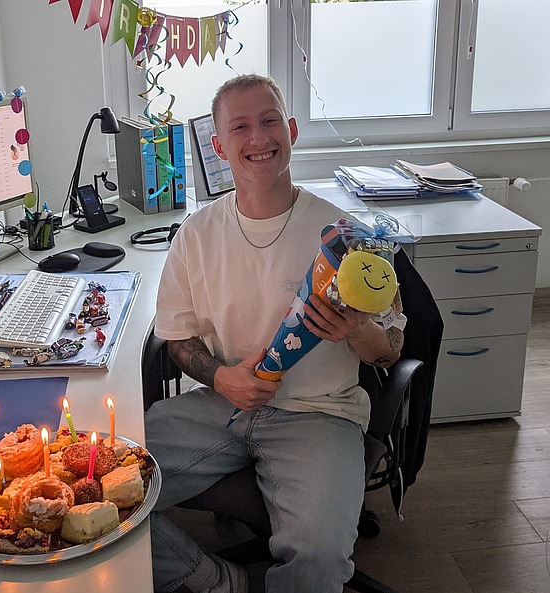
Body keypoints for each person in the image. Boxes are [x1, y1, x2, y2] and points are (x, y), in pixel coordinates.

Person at [145, 74, 405, 593]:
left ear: (292, 131)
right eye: (240, 127)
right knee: (98, 490)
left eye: (269, 122)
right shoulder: (195, 235)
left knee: (319, 557)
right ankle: (213, 581)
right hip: (220, 406)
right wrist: (222, 378)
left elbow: (391, 349)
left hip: (319, 413)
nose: (258, 138)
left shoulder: (347, 237)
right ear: (219, 146)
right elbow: (179, 340)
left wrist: (356, 331)